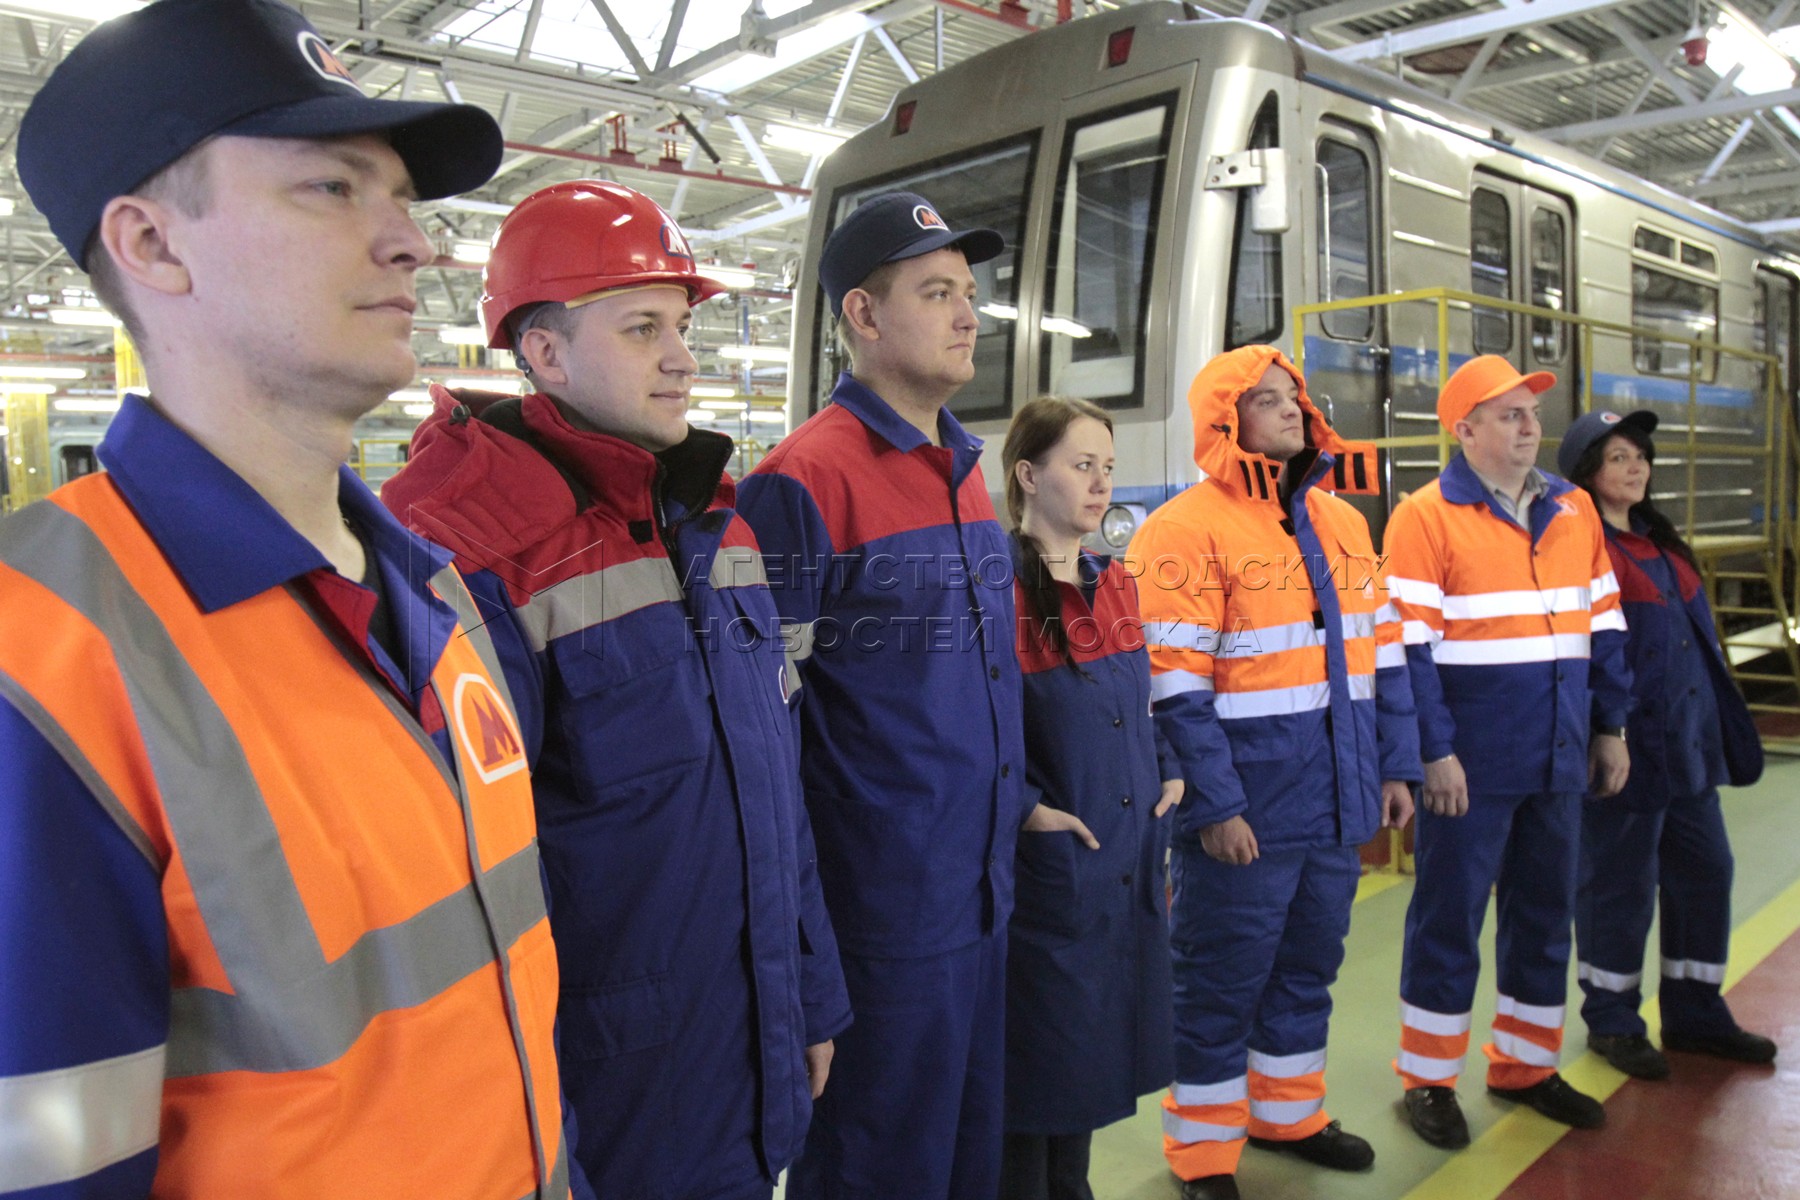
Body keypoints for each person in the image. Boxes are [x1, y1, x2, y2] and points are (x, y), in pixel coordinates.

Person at [0, 1, 587, 1196]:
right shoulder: (41, 658)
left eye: (405, 200)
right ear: (152, 245)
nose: (413, 243)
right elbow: (47, 1154)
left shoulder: (433, 593)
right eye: (332, 188)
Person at [380, 179, 850, 1200]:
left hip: (740, 1051)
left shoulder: (713, 522)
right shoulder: (468, 553)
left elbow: (774, 784)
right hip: (600, 1089)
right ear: (545, 353)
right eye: (643, 328)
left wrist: (807, 998)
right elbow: (457, 886)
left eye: (682, 326)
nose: (683, 357)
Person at [735, 191, 1027, 1200]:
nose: (969, 316)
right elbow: (764, 733)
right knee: (877, 1168)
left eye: (969, 294)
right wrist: (804, 951)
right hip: (882, 921)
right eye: (937, 293)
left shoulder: (965, 468)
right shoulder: (799, 483)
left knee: (967, 1161)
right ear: (862, 314)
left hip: (983, 895)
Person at [1130, 346, 1418, 1200]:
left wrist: (1394, 765)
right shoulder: (1182, 531)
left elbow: (1383, 656)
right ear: (1226, 422)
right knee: (1218, 981)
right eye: (1266, 399)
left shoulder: (1344, 523)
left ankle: (1288, 1115)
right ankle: (1204, 1152)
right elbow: (1171, 690)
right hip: (1247, 812)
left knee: (1307, 968)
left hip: (1334, 801)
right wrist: (1215, 807)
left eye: (1295, 395)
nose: (1292, 408)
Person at [1387, 355, 1633, 1150]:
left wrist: (1610, 726)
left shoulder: (1572, 509)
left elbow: (1604, 625)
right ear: (1464, 431)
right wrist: (1434, 752)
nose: (1531, 427)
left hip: (1560, 753)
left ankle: (1526, 1065)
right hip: (1472, 764)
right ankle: (1428, 1079)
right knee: (1448, 920)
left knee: (1544, 915)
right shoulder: (1425, 517)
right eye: (1509, 414)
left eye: (1531, 413)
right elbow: (1408, 649)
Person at [998, 396, 1183, 1200]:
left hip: (1120, 868)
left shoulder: (1116, 585)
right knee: (1033, 1084)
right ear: (1027, 475)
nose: (1102, 483)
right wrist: (1025, 811)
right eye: (1082, 466)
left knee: (1085, 1074)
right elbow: (974, 733)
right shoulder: (995, 594)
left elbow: (1139, 702)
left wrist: (1168, 764)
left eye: (1108, 467)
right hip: (1050, 877)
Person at [1558, 409, 1776, 1079]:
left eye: (1641, 456)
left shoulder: (1660, 543)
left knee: (1707, 872)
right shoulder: (1584, 549)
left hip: (1687, 750)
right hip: (1629, 749)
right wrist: (1605, 732)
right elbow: (1586, 654)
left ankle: (1695, 1011)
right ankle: (1612, 1019)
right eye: (1618, 457)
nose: (1636, 468)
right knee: (1619, 887)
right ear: (1587, 472)